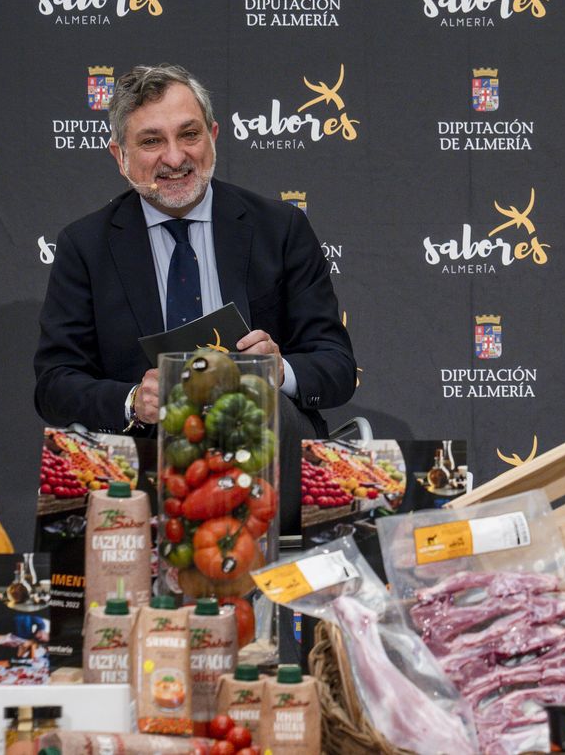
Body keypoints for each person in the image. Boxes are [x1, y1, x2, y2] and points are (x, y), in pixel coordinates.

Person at [33, 63, 356, 512]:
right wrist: (132, 401)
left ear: (214, 135)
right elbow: (54, 385)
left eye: (189, 134)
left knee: (273, 409)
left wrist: (280, 372)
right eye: (151, 141)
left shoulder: (280, 229)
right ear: (119, 155)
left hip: (270, 464)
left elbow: (337, 367)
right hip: (145, 477)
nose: (175, 157)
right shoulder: (85, 246)